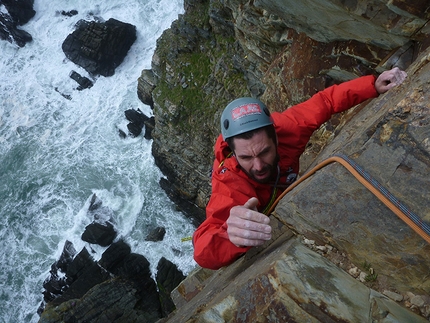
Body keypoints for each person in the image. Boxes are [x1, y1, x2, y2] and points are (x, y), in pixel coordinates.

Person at [193, 67, 407, 270]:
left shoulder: (290, 128)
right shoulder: (229, 182)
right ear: (233, 153)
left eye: (264, 152)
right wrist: (230, 235)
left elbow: (326, 101)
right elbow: (202, 249)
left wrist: (373, 85)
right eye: (246, 157)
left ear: (276, 136)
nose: (258, 166)